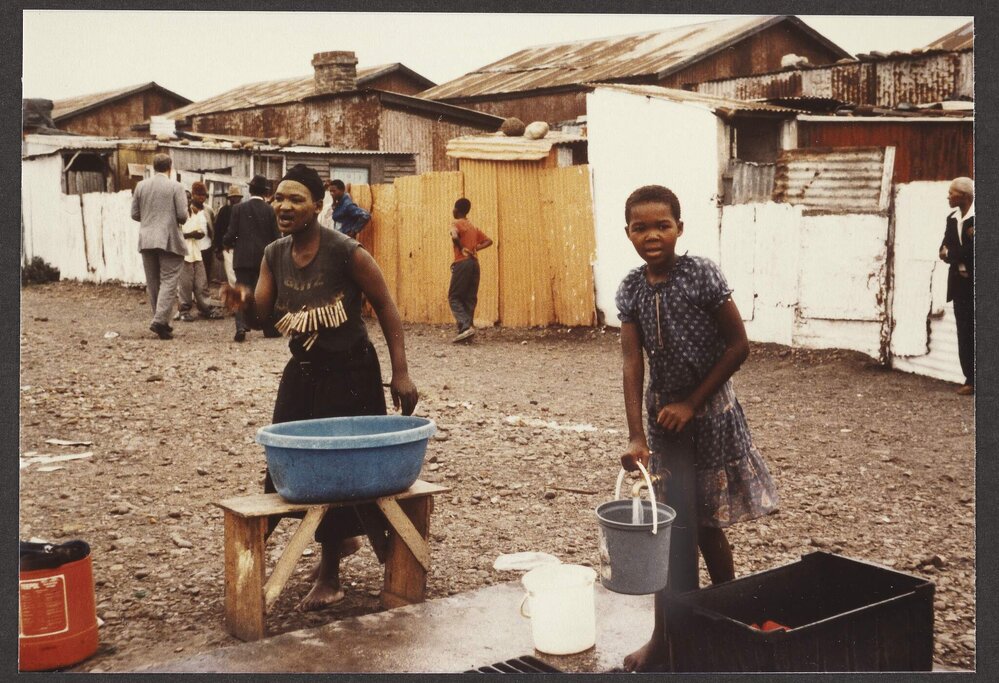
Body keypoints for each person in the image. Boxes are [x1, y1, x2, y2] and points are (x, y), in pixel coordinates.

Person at [220, 164, 419, 611]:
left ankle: (331, 575)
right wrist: (243, 303)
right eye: (279, 199)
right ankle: (272, 559)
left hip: (351, 373)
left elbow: (386, 307)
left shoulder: (347, 252)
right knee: (284, 464)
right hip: (304, 371)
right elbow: (264, 318)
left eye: (295, 199)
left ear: (317, 205)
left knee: (339, 472)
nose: (284, 207)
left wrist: (400, 372)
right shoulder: (274, 253)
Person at [615, 185, 779, 672]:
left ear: (679, 229)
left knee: (707, 528)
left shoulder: (701, 273)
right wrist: (635, 435)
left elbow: (738, 345)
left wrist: (691, 402)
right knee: (669, 533)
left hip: (710, 420)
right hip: (663, 426)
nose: (652, 236)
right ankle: (664, 638)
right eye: (640, 228)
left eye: (662, 226)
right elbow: (630, 362)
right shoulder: (630, 287)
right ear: (628, 233)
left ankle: (728, 625)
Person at [131, 153, 188, 340]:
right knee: (169, 280)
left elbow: (135, 214)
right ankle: (160, 321)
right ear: (170, 167)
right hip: (168, 239)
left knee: (153, 282)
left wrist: (150, 220)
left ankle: (162, 322)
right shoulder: (176, 186)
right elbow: (182, 216)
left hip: (146, 239)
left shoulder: (141, 186)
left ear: (153, 166)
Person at [223, 174, 281, 341]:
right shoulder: (270, 210)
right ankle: (269, 329)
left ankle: (241, 327)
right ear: (265, 192)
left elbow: (231, 234)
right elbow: (277, 237)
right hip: (264, 259)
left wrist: (226, 243)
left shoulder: (238, 209)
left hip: (242, 259)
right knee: (266, 294)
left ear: (249, 190)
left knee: (241, 291)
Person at [939, 177, 975, 395]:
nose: (948, 196)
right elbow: (942, 249)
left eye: (951, 193)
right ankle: (970, 379)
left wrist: (953, 255)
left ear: (963, 196)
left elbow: (976, 251)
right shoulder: (952, 218)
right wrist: (957, 258)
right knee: (964, 332)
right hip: (960, 286)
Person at [176, 182, 223, 322]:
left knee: (202, 283)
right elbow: (176, 233)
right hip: (184, 253)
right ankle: (184, 310)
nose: (189, 201)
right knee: (185, 284)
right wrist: (191, 235)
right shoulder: (177, 215)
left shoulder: (195, 213)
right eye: (185, 198)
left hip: (197, 252)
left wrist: (199, 234)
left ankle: (205, 308)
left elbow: (202, 230)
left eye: (189, 198)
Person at [448, 197, 493, 342]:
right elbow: (489, 241)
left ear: (456, 210)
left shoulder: (456, 223)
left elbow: (454, 235)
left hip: (462, 263)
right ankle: (468, 331)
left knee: (454, 297)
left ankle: (465, 327)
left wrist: (462, 249)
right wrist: (474, 249)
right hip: (474, 264)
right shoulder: (473, 227)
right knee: (469, 298)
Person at [212, 184, 243, 280]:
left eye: (237, 197)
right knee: (231, 275)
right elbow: (218, 230)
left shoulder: (244, 210)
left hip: (242, 248)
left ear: (240, 198)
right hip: (228, 248)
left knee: (241, 275)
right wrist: (218, 249)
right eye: (232, 197)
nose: (234, 199)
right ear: (229, 198)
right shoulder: (224, 211)